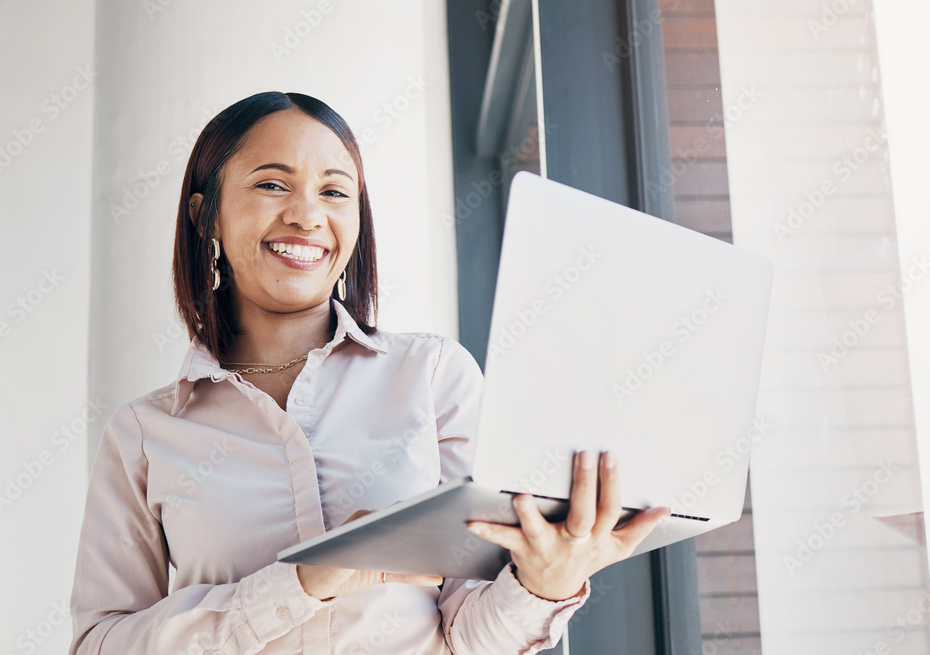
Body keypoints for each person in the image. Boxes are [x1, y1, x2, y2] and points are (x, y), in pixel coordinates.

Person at [68, 91, 669, 655]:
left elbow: (470, 636)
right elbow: (98, 644)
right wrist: (302, 582)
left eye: (335, 192)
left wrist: (544, 584)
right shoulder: (145, 433)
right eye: (273, 183)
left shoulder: (433, 377)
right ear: (207, 216)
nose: (307, 216)